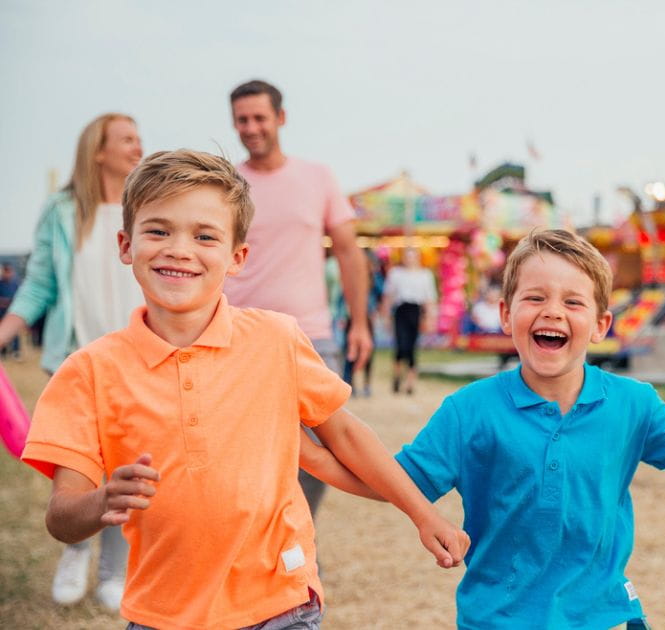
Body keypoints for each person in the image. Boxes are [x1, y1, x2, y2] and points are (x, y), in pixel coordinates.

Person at [20, 150, 468, 629]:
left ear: (238, 257)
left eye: (204, 236)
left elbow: (346, 438)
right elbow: (61, 516)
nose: (179, 248)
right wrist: (102, 501)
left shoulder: (277, 339)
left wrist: (423, 514)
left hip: (282, 601)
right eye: (158, 230)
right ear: (126, 244)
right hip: (161, 613)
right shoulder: (87, 371)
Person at [394, 229, 665, 628]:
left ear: (601, 324)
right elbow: (396, 479)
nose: (553, 312)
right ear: (506, 314)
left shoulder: (632, 404)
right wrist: (327, 454)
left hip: (602, 616)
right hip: (497, 618)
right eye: (535, 297)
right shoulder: (469, 410)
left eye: (573, 302)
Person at [0, 113, 143, 611]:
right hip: (75, 361)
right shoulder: (62, 211)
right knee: (79, 468)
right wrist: (5, 333)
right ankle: (75, 551)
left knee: (126, 469)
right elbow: (39, 283)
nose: (138, 146)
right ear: (98, 151)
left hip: (139, 360)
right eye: (127, 139)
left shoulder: (145, 205)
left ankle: (113, 570)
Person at [223, 79, 372, 522]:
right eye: (241, 120)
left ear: (280, 118)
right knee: (242, 453)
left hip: (310, 336)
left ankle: (298, 540)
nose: (251, 128)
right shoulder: (227, 183)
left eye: (259, 118)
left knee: (322, 450)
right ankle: (265, 548)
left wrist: (360, 323)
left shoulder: (317, 177)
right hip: (236, 337)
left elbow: (348, 251)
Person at [382, 248, 438, 394]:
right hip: (401, 311)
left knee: (412, 348)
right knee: (400, 346)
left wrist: (430, 318)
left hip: (416, 311)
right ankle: (396, 377)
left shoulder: (425, 275)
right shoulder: (396, 274)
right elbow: (388, 296)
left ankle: (410, 383)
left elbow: (429, 299)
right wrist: (386, 316)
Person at [340, 250, 385, 396]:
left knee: (368, 353)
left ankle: (366, 384)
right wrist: (342, 315)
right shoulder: (351, 279)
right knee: (350, 353)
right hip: (351, 318)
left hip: (368, 320)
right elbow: (342, 298)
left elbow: (382, 294)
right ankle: (349, 383)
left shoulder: (375, 280)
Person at [0, 264, 20, 358]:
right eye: (7, 272)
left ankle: (16, 351)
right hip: (2, 312)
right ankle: (3, 352)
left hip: (13, 311)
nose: (9, 274)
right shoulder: (1, 284)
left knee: (14, 332)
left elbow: (19, 296)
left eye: (10, 272)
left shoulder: (15, 284)